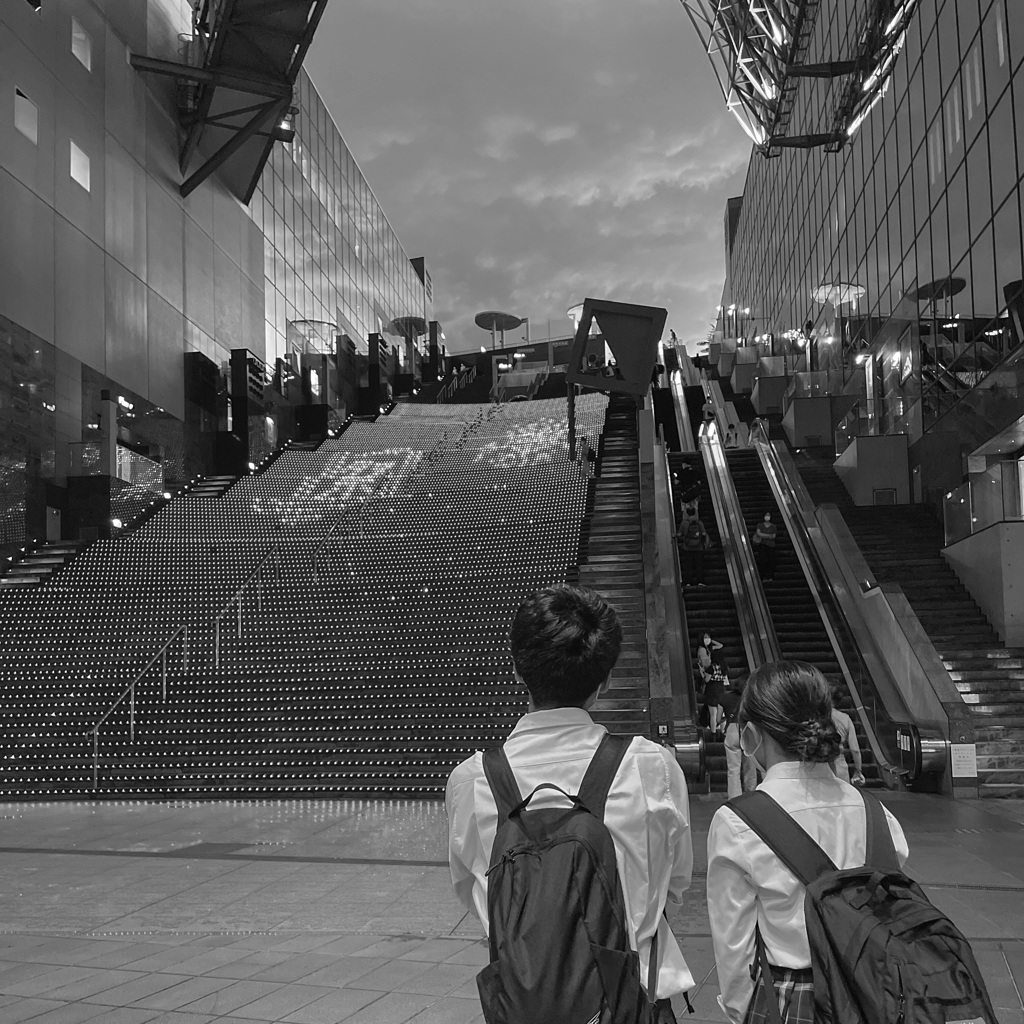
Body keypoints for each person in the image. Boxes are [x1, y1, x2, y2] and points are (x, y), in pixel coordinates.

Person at [446, 584, 695, 1017]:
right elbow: (675, 886)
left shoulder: (471, 780)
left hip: (524, 1005)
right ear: (605, 681)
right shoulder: (652, 767)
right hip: (634, 1005)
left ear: (519, 670)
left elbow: (477, 897)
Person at [706, 660, 909, 1024]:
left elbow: (733, 947)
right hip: (877, 994)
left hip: (793, 998)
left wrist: (744, 1012)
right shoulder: (877, 813)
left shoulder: (738, 821)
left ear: (750, 735)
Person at [722, 679, 757, 798]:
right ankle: (750, 793)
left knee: (733, 769)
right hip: (747, 728)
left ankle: (734, 796)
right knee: (750, 766)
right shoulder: (751, 699)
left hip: (732, 730)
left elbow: (718, 718)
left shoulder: (726, 698)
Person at [830, 687, 866, 785]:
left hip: (818, 767)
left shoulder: (817, 717)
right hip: (840, 766)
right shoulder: (845, 719)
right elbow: (855, 749)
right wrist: (858, 770)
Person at [696, 634, 726, 736]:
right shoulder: (724, 667)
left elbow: (707, 679)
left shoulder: (711, 667)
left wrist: (701, 672)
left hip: (712, 690)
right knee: (721, 713)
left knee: (713, 714)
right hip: (721, 689)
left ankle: (713, 733)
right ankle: (722, 732)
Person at [679, 514, 711, 587]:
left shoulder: (684, 523)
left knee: (688, 565)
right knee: (699, 565)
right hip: (699, 548)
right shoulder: (699, 523)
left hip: (687, 548)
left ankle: (688, 582)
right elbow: (703, 533)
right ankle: (700, 581)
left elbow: (680, 533)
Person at [751, 511, 777, 581]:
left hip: (771, 546)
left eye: (768, 515)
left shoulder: (773, 526)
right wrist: (768, 535)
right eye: (766, 515)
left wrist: (763, 535)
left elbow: (773, 536)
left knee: (770, 561)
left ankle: (770, 576)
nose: (767, 517)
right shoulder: (760, 525)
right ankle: (763, 576)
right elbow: (759, 534)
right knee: (763, 560)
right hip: (762, 545)